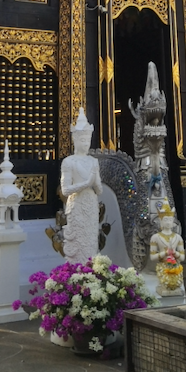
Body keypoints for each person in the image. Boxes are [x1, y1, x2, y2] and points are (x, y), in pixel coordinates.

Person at [60, 108, 102, 263]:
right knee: (78, 242)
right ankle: (76, 273)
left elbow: (99, 190)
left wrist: (95, 182)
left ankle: (92, 271)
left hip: (91, 204)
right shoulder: (69, 162)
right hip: (76, 204)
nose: (86, 143)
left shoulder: (93, 161)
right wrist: (85, 184)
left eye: (87, 140)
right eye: (82, 140)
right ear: (75, 140)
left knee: (91, 241)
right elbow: (65, 190)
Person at [150, 199, 185, 295]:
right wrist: (165, 253)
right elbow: (152, 257)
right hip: (163, 266)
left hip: (175, 266)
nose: (168, 222)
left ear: (173, 221)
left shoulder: (178, 237)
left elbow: (182, 257)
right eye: (166, 219)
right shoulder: (155, 237)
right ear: (161, 221)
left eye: (170, 219)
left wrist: (175, 253)